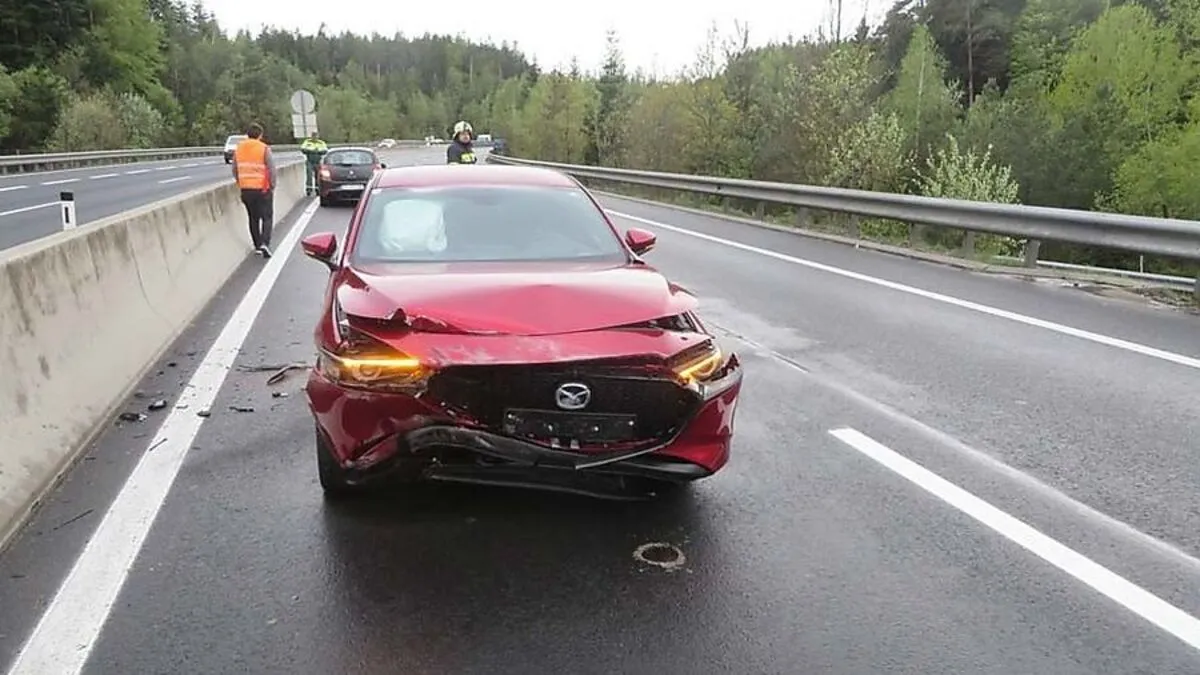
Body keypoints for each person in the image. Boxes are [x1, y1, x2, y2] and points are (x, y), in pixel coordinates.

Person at [231, 122, 276, 258]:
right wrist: (272, 185)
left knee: (253, 217)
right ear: (260, 135)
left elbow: (235, 169)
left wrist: (241, 183)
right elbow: (271, 169)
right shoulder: (264, 148)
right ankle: (265, 243)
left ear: (247, 135)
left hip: (246, 189)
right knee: (267, 217)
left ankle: (257, 245)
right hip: (262, 189)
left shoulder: (239, 149)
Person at [299, 131, 328, 196]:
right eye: (313, 135)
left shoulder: (321, 142)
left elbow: (325, 150)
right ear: (311, 136)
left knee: (318, 176)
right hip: (310, 161)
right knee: (309, 175)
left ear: (318, 136)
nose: (314, 137)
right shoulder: (307, 142)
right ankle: (309, 190)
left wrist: (318, 151)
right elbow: (303, 149)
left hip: (317, 161)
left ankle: (318, 190)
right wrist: (311, 151)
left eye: (316, 135)